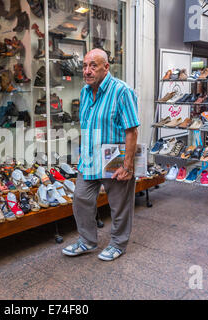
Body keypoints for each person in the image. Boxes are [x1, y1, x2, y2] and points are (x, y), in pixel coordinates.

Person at [62, 48, 140, 261]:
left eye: (93, 66)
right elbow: (86, 125)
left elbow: (131, 130)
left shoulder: (121, 91)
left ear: (106, 67)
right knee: (81, 198)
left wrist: (127, 165)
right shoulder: (85, 92)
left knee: (119, 205)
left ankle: (118, 244)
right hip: (89, 157)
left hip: (115, 156)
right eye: (85, 66)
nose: (87, 71)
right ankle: (87, 241)